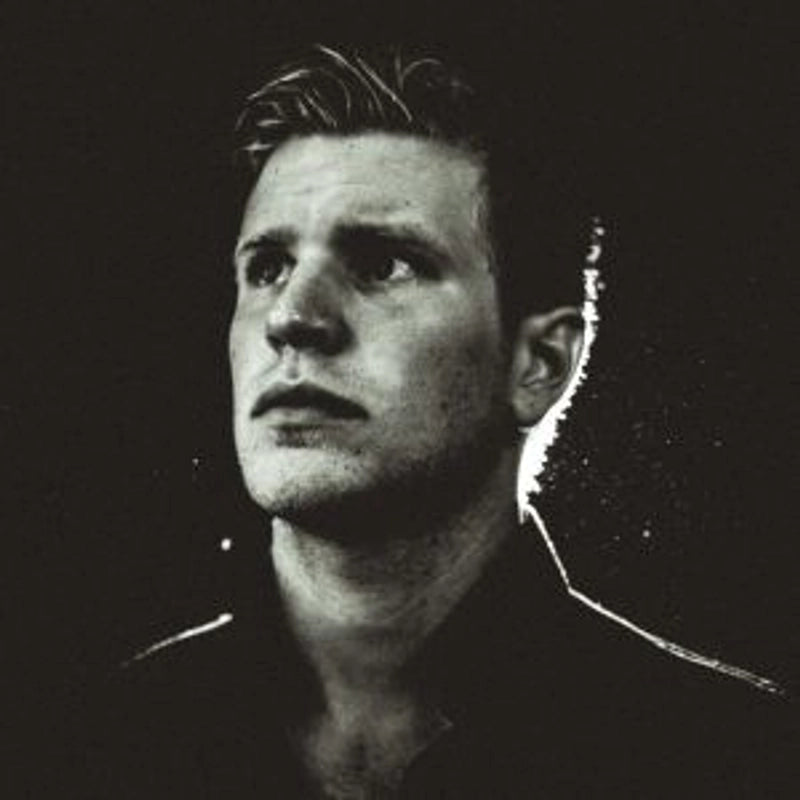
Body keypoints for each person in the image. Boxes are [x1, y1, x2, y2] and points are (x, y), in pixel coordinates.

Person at [87, 44, 793, 798]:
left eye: (383, 264)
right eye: (267, 269)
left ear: (538, 363)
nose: (291, 317)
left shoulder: (739, 761)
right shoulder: (83, 747)